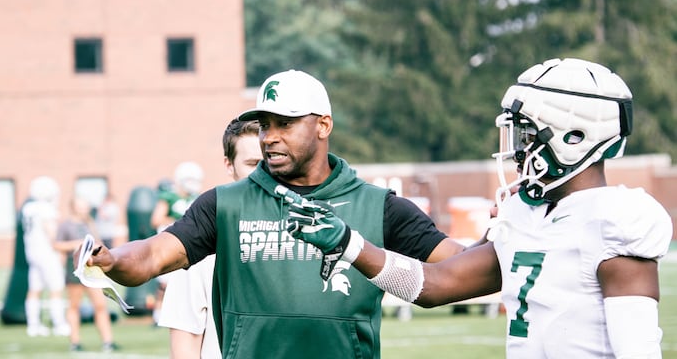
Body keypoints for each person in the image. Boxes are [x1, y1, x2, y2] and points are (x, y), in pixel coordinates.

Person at [286, 58, 674, 358]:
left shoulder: (614, 220)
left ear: (574, 137)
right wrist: (349, 244)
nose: (517, 149)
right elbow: (433, 285)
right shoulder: (524, 214)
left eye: (526, 134)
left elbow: (638, 353)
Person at [78, 69, 468, 359]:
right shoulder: (224, 204)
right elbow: (151, 255)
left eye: (285, 124)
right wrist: (114, 259)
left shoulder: (379, 206)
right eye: (265, 125)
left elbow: (460, 267)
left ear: (323, 125)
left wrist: (497, 236)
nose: (270, 137)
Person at [157, 118, 262, 359]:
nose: (263, 173)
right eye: (252, 163)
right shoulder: (198, 241)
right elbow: (185, 346)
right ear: (229, 165)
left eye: (270, 161)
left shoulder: (311, 234)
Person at [55, 196, 118, 352]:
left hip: (92, 269)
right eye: (81, 206)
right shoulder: (66, 225)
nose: (84, 209)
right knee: (74, 306)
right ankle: (75, 342)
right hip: (75, 269)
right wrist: (75, 244)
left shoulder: (90, 223)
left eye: (85, 206)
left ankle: (108, 341)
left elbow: (98, 242)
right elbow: (57, 245)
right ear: (73, 207)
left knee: (100, 305)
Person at [150, 160, 205, 322]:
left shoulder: (197, 198)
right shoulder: (169, 197)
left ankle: (183, 314)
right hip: (169, 243)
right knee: (165, 283)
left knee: (189, 283)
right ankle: (157, 314)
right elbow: (156, 220)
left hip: (189, 245)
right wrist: (180, 222)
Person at [22, 176, 70, 337]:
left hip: (32, 252)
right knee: (56, 289)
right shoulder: (46, 209)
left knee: (34, 289)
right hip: (47, 253)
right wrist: (60, 251)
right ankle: (59, 324)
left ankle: (33, 325)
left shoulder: (28, 208)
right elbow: (52, 234)